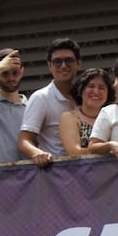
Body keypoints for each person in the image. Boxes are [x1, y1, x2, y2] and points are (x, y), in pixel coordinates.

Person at [19, 38, 82, 167]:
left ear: (79, 63)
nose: (63, 66)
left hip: (86, 170)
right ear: (49, 66)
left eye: (69, 61)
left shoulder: (85, 95)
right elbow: (24, 141)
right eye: (57, 62)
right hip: (57, 174)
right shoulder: (41, 98)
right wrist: (37, 154)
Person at [61, 68, 115, 158]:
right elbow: (74, 152)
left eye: (101, 88)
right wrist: (109, 148)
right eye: (91, 86)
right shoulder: (70, 117)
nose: (96, 91)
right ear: (81, 90)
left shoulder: (113, 116)